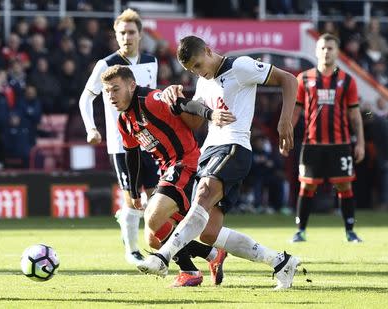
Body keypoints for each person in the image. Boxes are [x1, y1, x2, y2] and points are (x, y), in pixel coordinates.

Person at [137, 35, 300, 290]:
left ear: (208, 51)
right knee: (209, 233)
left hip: (234, 147)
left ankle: (162, 256)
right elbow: (196, 122)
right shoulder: (203, 82)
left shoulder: (240, 67)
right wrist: (177, 102)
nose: (198, 72)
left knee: (201, 195)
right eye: (192, 70)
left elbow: (288, 79)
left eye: (199, 65)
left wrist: (285, 119)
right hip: (209, 152)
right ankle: (281, 262)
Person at [101, 65, 234, 287]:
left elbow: (183, 104)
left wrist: (210, 114)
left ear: (132, 86)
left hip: (187, 162)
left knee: (153, 218)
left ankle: (189, 271)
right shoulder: (124, 121)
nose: (111, 96)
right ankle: (212, 254)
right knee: (153, 238)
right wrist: (134, 191)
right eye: (107, 91)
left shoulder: (150, 99)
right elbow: (131, 155)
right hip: (169, 169)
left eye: (115, 89)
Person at [78, 9, 159, 266]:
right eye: (122, 32)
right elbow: (86, 97)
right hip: (121, 144)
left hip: (150, 142)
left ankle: (162, 247)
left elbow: (151, 101)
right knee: (134, 200)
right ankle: (132, 249)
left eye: (131, 32)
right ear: (116, 35)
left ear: (140, 34)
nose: (127, 37)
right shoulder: (106, 64)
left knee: (158, 199)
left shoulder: (151, 61)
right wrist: (91, 128)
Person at [290, 33, 365, 243]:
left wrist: (359, 142)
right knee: (307, 186)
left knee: (344, 186)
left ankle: (350, 232)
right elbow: (295, 112)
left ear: (337, 52)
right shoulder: (304, 78)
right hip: (311, 144)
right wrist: (285, 135)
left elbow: (354, 114)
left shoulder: (347, 80)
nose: (326, 52)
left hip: (340, 145)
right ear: (316, 51)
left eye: (330, 48)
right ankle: (300, 231)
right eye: (323, 48)